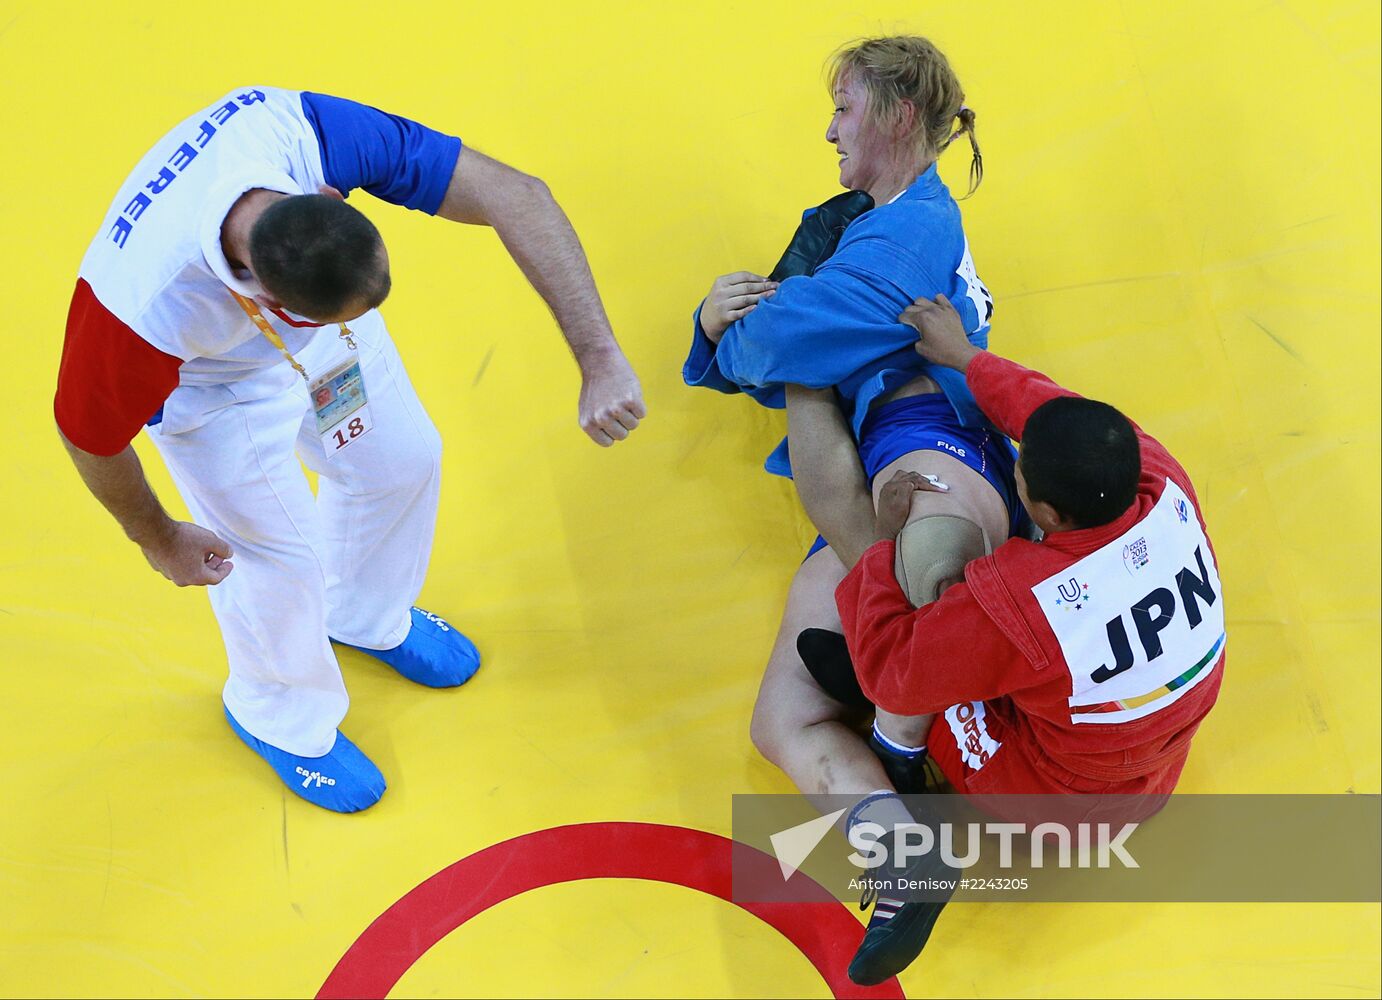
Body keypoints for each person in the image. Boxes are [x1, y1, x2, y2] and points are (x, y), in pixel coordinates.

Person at [55, 86, 646, 813]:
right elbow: (87, 437)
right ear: (275, 304)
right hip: (209, 384)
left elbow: (516, 194)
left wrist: (600, 356)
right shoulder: (140, 309)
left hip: (323, 327)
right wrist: (159, 536)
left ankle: (362, 615)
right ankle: (277, 715)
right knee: (273, 558)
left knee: (403, 461)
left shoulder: (310, 135)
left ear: (333, 196)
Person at [787, 293, 1226, 983]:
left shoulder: (1032, 602)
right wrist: (969, 358)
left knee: (915, 657)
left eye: (1019, 476)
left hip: (1060, 803)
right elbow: (1052, 408)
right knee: (982, 642)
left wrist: (879, 545)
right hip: (1152, 760)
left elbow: (895, 672)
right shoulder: (1154, 475)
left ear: (1045, 511)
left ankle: (903, 780)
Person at [684, 37, 1015, 808]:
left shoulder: (905, 238)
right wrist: (743, 333)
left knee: (928, 567)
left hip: (934, 451)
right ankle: (901, 856)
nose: (830, 131)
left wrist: (715, 329)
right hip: (868, 468)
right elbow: (792, 344)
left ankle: (920, 717)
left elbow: (774, 343)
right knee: (781, 722)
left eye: (843, 110)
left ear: (899, 117)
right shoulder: (878, 223)